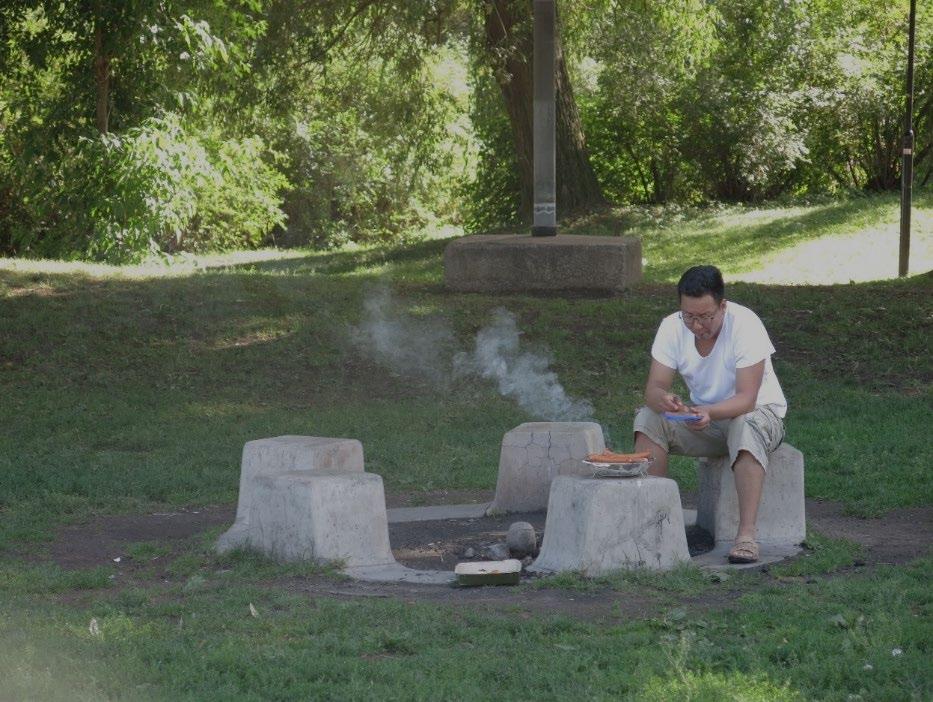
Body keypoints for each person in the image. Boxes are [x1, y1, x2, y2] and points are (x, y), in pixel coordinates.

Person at [633, 265, 787, 563]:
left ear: (723, 306)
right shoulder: (671, 326)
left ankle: (746, 536)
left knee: (745, 424)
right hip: (705, 421)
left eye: (705, 316)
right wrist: (665, 400)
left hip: (759, 415)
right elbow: (653, 389)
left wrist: (709, 411)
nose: (696, 325)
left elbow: (747, 398)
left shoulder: (745, 323)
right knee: (647, 419)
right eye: (689, 315)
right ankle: (655, 527)